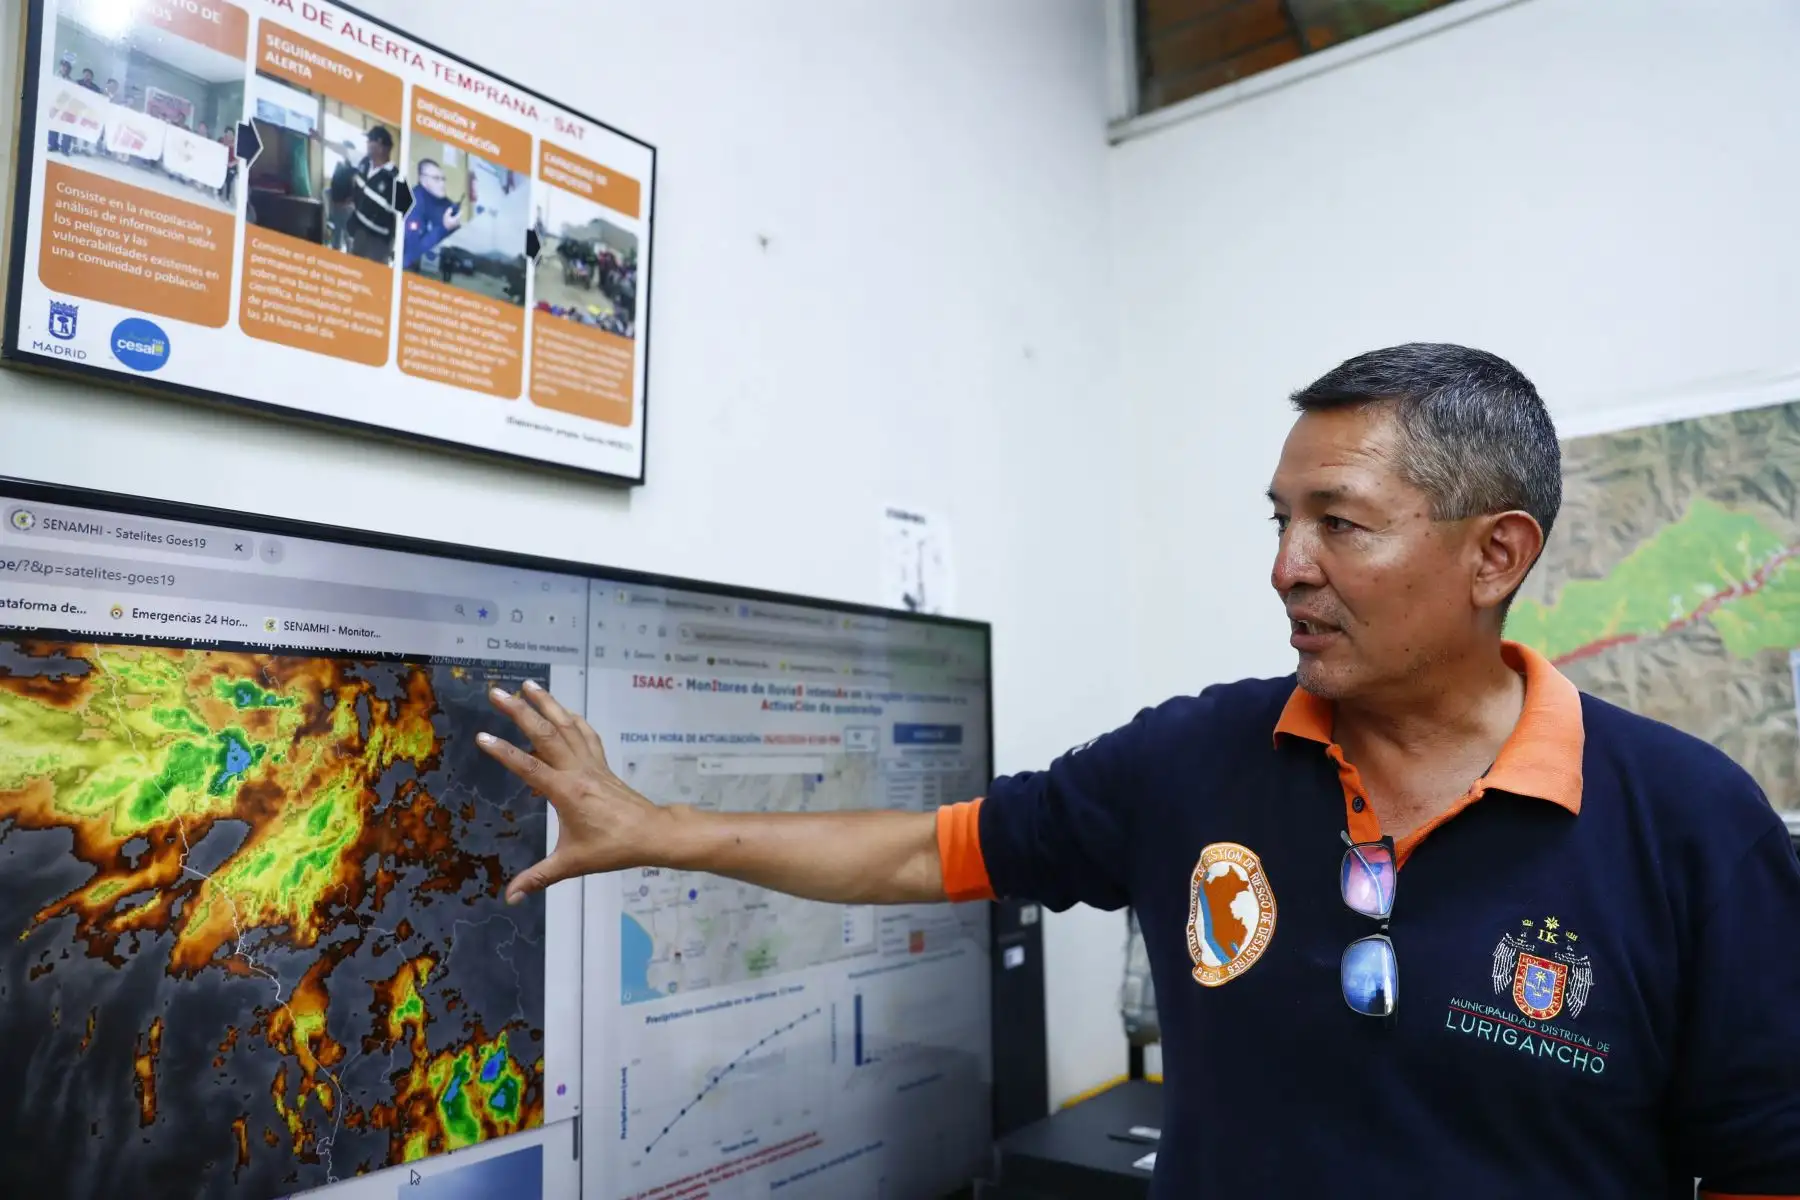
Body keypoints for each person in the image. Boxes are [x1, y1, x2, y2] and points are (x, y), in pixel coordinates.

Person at [476, 343, 1800, 1198]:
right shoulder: (1192, 758)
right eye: (1280, 521)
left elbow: (1760, 1170)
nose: (1288, 563)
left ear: (1496, 557)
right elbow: (924, 850)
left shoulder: (1691, 827)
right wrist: (658, 829)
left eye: (1340, 523)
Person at [333, 125, 399, 263]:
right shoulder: (364, 162)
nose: (367, 144)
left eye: (370, 141)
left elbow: (402, 218)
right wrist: (320, 139)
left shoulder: (396, 179)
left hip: (378, 242)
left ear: (380, 145)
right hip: (360, 233)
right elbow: (344, 151)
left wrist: (394, 248)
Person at [401, 156, 467, 272]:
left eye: (443, 179)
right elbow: (413, 251)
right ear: (423, 179)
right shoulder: (414, 203)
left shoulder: (446, 203)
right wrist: (444, 228)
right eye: (436, 179)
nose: (442, 184)